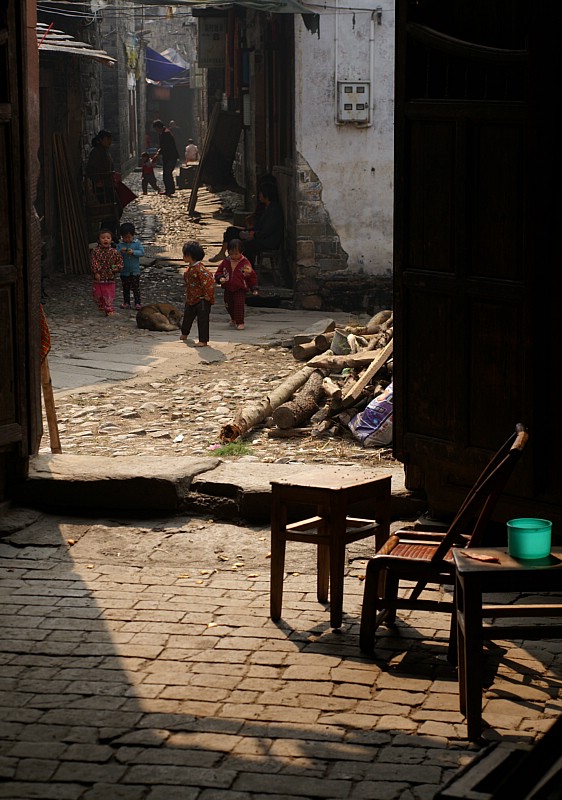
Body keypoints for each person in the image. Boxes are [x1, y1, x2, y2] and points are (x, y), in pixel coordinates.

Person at [208, 183, 283, 265]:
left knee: (244, 246)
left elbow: (267, 231)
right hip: (258, 234)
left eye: (261, 193)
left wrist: (254, 234)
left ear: (266, 195)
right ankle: (222, 254)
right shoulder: (266, 207)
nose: (259, 195)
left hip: (267, 241)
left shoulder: (274, 210)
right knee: (231, 231)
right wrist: (250, 231)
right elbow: (260, 226)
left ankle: (246, 268)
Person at [215, 239, 258, 330]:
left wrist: (254, 288)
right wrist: (220, 278)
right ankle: (233, 318)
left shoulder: (245, 263)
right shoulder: (225, 262)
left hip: (240, 288)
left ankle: (240, 322)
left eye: (236, 254)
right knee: (228, 304)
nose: (234, 256)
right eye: (232, 253)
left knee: (239, 305)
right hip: (228, 287)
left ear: (241, 252)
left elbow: (251, 276)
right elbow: (219, 272)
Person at [179, 240, 215, 347]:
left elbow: (208, 283)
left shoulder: (200, 270)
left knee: (202, 321)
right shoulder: (191, 268)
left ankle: (203, 340)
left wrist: (208, 297)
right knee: (187, 317)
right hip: (191, 297)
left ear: (190, 256)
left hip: (202, 299)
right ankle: (184, 333)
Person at [90, 228, 123, 316]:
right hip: (99, 277)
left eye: (108, 238)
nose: (105, 239)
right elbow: (94, 262)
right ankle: (101, 304)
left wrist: (117, 268)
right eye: (103, 238)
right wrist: (96, 272)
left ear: (111, 240)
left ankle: (109, 309)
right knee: (97, 293)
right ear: (98, 240)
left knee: (109, 293)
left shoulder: (114, 252)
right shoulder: (95, 251)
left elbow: (119, 262)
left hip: (110, 277)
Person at [116, 222, 144, 310]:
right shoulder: (120, 245)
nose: (127, 239)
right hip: (124, 271)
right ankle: (126, 302)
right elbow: (116, 255)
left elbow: (142, 253)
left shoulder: (137, 244)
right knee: (125, 288)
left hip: (135, 271)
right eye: (124, 237)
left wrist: (133, 252)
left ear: (133, 235)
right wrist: (121, 251)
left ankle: (137, 303)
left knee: (136, 288)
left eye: (128, 237)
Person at [152, 119, 179, 196]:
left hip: (171, 156)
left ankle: (170, 190)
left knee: (167, 173)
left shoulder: (166, 133)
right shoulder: (162, 133)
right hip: (167, 157)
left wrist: (158, 154)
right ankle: (169, 189)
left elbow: (165, 146)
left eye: (155, 128)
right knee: (166, 174)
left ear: (158, 127)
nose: (155, 130)